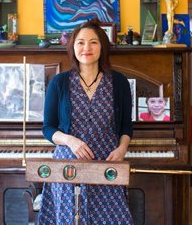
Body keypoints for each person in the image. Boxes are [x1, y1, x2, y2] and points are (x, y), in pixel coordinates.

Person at [38, 18, 134, 224]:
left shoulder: (119, 82)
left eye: (93, 42)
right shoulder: (59, 82)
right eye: (80, 42)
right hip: (67, 166)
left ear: (102, 47)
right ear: (73, 47)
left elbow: (126, 125)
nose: (86, 47)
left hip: (107, 164)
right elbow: (48, 128)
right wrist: (71, 141)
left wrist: (122, 149)